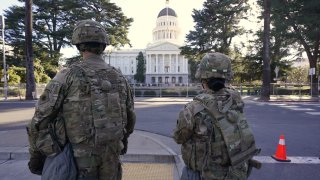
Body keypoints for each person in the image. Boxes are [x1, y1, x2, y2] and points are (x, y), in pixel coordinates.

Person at [26, 19, 136, 179]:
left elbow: (39, 120)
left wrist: (37, 156)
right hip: (111, 160)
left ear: (78, 45)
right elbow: (130, 118)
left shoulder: (67, 75)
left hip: (78, 163)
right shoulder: (120, 78)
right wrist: (121, 143)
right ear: (103, 45)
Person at [173, 52, 260, 180]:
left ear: (203, 79)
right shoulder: (235, 99)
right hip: (235, 173)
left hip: (204, 175)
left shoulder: (193, 108)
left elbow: (179, 137)